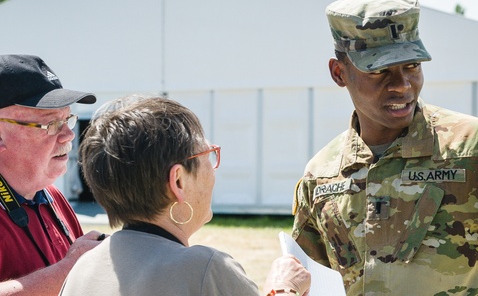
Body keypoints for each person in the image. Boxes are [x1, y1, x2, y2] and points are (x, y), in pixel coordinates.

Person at [291, 0, 478, 295]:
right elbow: (307, 281)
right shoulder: (321, 173)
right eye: (379, 70)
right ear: (339, 73)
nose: (402, 85)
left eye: (412, 66)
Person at [60, 95, 311, 296]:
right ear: (178, 181)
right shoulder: (205, 269)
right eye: (208, 156)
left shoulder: (82, 268)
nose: (213, 170)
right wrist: (284, 288)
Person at [0, 54, 104, 295]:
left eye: (67, 119)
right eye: (50, 124)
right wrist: (68, 270)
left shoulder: (51, 196)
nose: (69, 135)